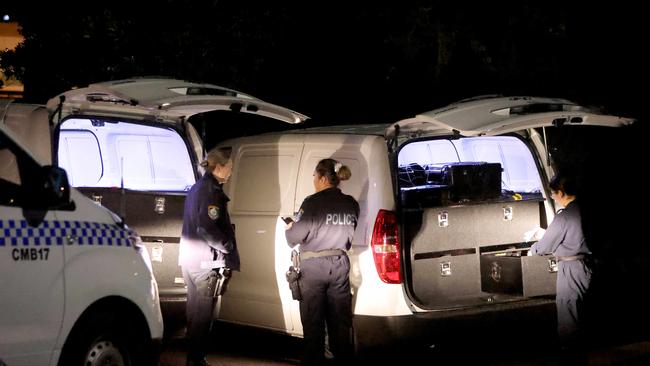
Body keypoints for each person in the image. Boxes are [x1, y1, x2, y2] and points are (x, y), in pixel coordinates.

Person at [285, 158, 360, 365]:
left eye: (314, 176)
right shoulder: (351, 203)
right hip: (339, 265)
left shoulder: (312, 202)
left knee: (313, 324)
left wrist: (290, 227)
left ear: (323, 178)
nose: (313, 180)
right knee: (340, 324)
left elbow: (294, 238)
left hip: (314, 269)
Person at [178, 147, 240, 366]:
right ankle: (197, 360)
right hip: (206, 262)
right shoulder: (211, 191)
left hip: (190, 260)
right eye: (230, 167)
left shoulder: (197, 187)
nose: (232, 170)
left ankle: (192, 358)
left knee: (194, 314)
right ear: (220, 167)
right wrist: (227, 245)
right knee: (203, 317)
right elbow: (207, 227)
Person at [527, 173, 591, 348]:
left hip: (570, 269)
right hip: (588, 267)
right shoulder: (586, 210)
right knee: (584, 314)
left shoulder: (564, 216)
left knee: (568, 314)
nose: (553, 197)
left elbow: (545, 247)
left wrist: (532, 250)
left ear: (562, 192)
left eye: (554, 193)